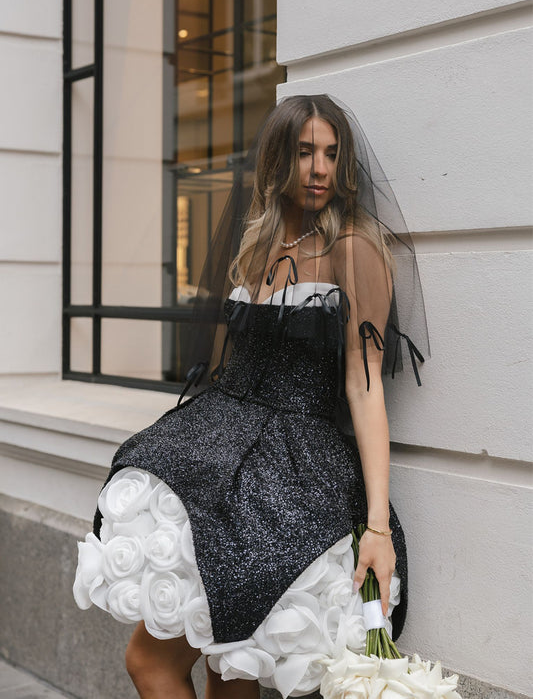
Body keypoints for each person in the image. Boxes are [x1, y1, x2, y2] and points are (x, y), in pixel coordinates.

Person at [73, 94, 429, 698]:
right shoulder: (256, 245)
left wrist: (377, 528)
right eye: (305, 152)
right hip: (220, 458)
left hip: (290, 478)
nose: (320, 169)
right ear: (277, 159)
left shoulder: (354, 250)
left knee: (202, 666)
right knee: (209, 668)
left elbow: (364, 386)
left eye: (331, 154)